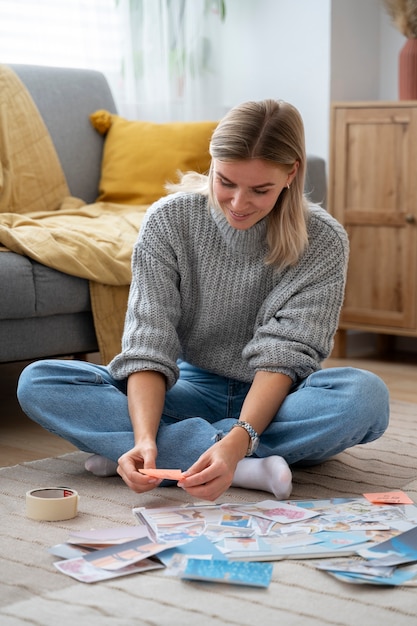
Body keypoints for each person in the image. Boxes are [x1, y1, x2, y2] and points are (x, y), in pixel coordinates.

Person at [17, 99, 390, 502]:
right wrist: (144, 435)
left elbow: (285, 356)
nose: (239, 203)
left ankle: (168, 454)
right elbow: (149, 344)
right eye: (226, 181)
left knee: (364, 398)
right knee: (41, 383)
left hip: (279, 398)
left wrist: (239, 438)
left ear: (290, 174)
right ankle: (213, 461)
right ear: (212, 164)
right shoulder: (169, 220)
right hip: (189, 388)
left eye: (259, 189)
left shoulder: (324, 240)